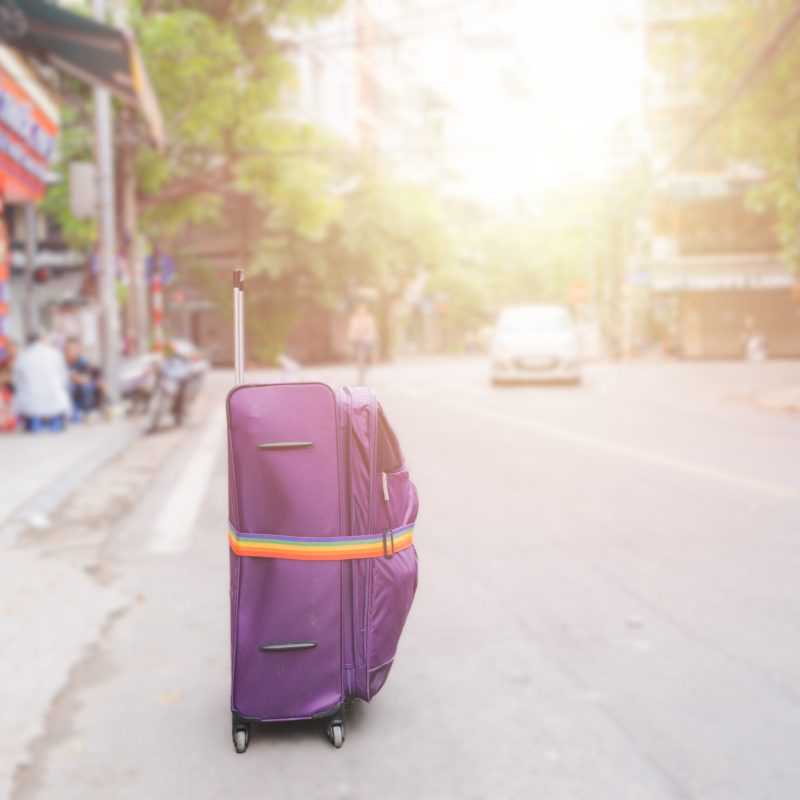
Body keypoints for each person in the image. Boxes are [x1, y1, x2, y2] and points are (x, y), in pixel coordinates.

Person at [12, 333, 71, 431]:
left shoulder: (23, 355)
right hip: (55, 400)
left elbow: (17, 380)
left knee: (23, 400)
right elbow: (63, 377)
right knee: (60, 398)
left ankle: (33, 424)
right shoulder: (54, 353)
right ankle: (55, 423)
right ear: (41, 339)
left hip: (31, 403)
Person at [64, 337, 102, 420]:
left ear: (78, 350)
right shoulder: (61, 361)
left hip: (78, 391)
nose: (70, 352)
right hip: (65, 391)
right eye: (68, 349)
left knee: (87, 387)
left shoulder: (82, 362)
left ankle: (87, 415)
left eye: (73, 349)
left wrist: (72, 376)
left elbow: (85, 380)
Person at [347, 303, 377, 385]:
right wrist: (352, 336)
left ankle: (368, 365)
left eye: (363, 310)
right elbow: (351, 330)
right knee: (360, 358)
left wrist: (371, 338)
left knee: (368, 357)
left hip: (367, 340)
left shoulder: (369, 319)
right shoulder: (354, 320)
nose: (361, 311)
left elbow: (372, 330)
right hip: (358, 341)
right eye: (359, 310)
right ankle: (361, 375)